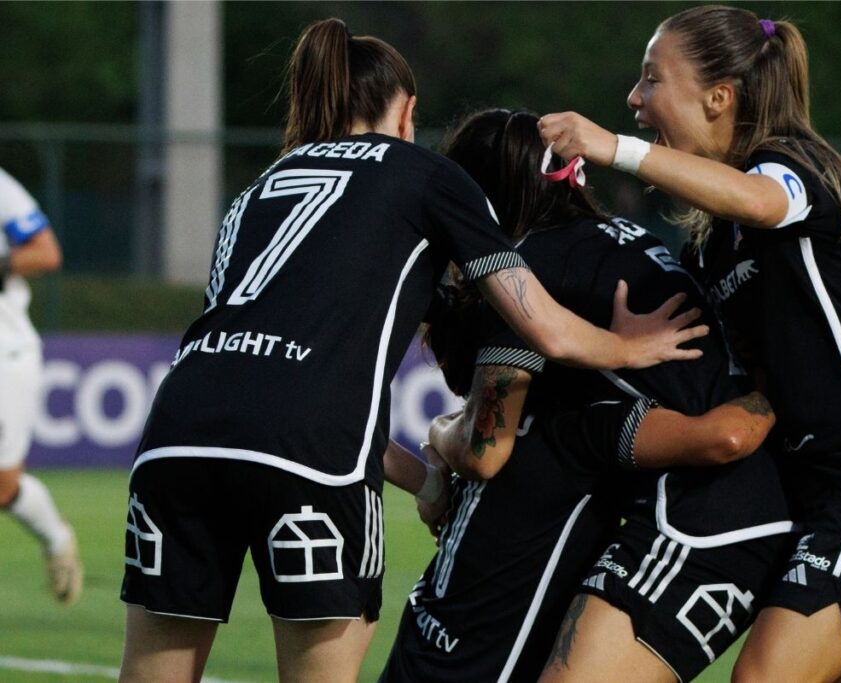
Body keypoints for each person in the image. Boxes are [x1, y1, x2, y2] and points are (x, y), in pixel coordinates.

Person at [117, 20, 704, 683]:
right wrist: (628, 346)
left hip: (172, 437)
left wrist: (425, 478)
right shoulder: (425, 174)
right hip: (308, 455)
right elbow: (547, 328)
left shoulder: (258, 191)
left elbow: (265, 388)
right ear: (407, 111)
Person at [537, 5, 841, 681]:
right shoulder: (712, 241)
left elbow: (761, 201)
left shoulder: (794, 165)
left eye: (652, 80)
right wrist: (622, 349)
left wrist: (612, 146)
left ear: (718, 96)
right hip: (818, 494)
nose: (635, 100)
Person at [381, 109, 793, 683]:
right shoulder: (621, 239)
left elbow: (484, 448)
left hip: (706, 512)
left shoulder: (527, 272)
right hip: (710, 489)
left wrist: (436, 433)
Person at [0, 166, 83, 605]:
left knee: (2, 486)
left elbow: (45, 252)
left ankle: (55, 538)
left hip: (4, 352)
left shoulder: (0, 188)